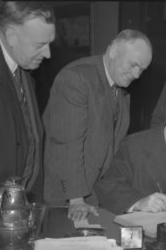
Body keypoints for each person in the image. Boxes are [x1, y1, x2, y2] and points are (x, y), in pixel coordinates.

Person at [43, 29, 153, 221]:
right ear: (112, 52)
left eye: (142, 69)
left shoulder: (120, 87)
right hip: (68, 197)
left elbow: (113, 145)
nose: (137, 74)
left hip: (95, 194)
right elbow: (66, 143)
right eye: (133, 65)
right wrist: (76, 199)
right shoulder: (76, 78)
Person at [0, 1, 56, 202]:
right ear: (12, 35)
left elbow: (32, 143)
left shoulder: (26, 73)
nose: (48, 54)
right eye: (40, 45)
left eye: (49, 44)